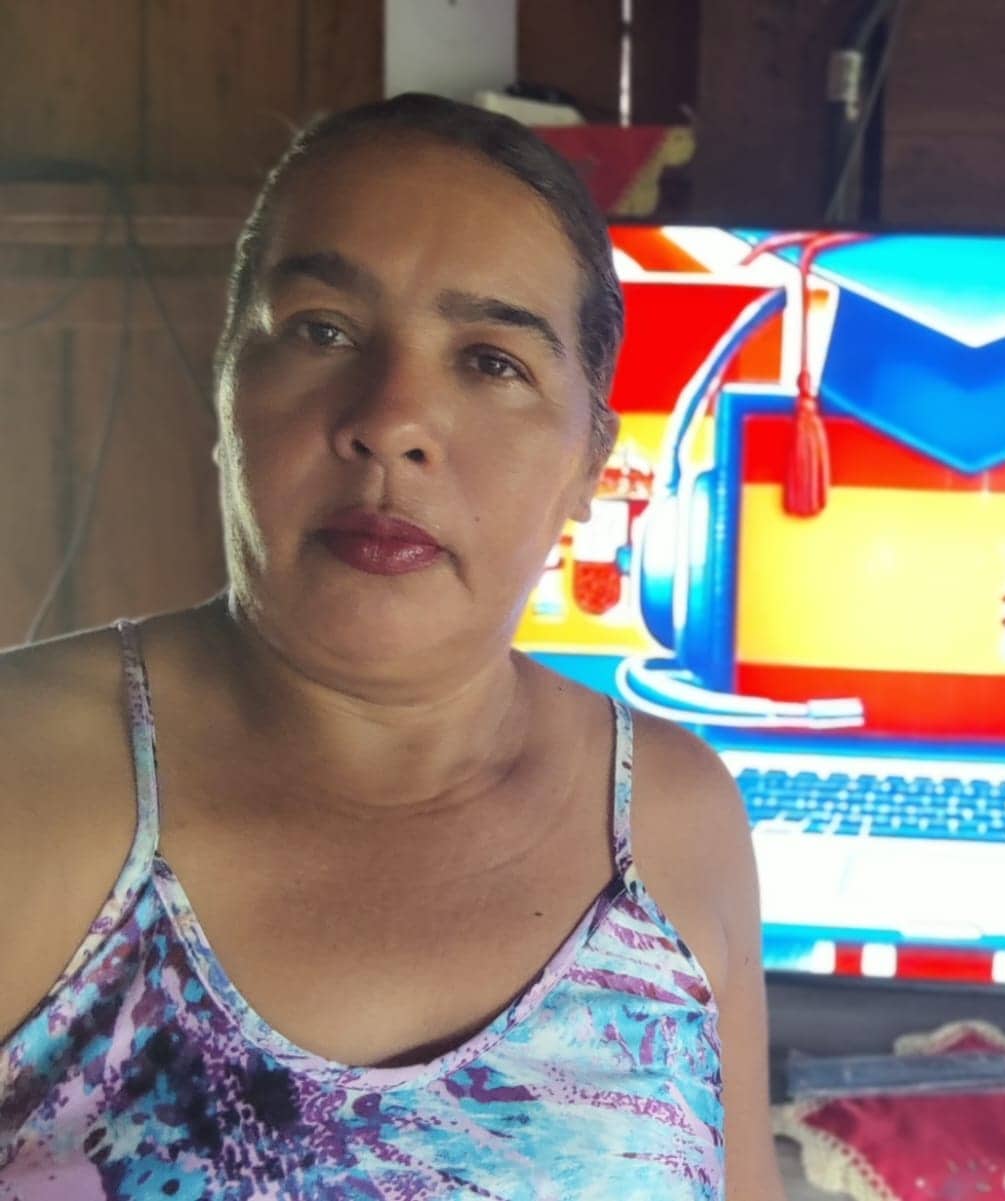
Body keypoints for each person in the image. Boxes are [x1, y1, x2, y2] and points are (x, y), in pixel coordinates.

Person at [0, 93, 785, 1200]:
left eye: (491, 361)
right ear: (226, 388)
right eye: (322, 330)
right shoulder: (26, 776)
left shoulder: (675, 818)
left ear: (589, 462)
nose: (392, 419)